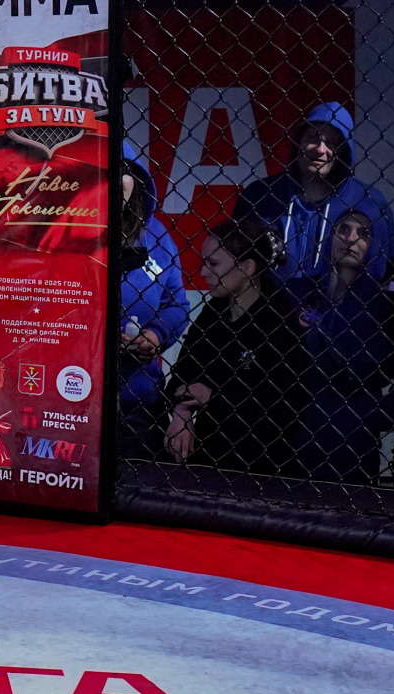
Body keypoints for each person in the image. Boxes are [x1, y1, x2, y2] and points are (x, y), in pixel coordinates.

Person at [164, 215, 305, 476]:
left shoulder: (279, 323)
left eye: (214, 263)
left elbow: (280, 407)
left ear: (248, 267)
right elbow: (181, 375)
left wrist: (215, 398)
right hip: (206, 457)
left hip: (261, 467)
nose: (203, 272)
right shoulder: (214, 312)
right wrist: (182, 410)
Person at [285, 211, 394, 485]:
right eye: (343, 229)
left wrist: (376, 415)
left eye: (363, 233)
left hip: (351, 444)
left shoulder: (384, 306)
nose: (350, 238)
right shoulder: (302, 291)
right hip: (291, 435)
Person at [236, 101, 393, 284]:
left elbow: (389, 269)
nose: (320, 149)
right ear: (298, 142)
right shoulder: (259, 195)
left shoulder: (368, 201)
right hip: (268, 301)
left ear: (344, 150)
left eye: (332, 142)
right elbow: (233, 258)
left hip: (341, 302)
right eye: (313, 138)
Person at [113, 142, 190, 455]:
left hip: (138, 399)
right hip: (69, 397)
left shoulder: (156, 235)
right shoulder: (61, 233)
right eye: (102, 172)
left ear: (136, 180)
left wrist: (155, 335)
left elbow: (176, 304)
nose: (113, 180)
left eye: (122, 171)